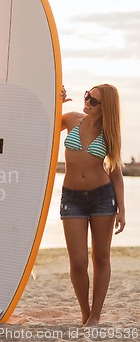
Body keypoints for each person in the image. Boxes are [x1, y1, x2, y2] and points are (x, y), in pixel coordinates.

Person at [60, 84, 126, 327]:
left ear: (105, 107)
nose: (87, 101)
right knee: (78, 262)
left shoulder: (109, 133)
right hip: (72, 198)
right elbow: (44, 124)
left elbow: (116, 174)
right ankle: (85, 311)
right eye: (88, 96)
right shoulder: (72, 120)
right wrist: (58, 103)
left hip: (102, 198)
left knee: (101, 258)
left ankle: (95, 316)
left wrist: (122, 209)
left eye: (93, 101)